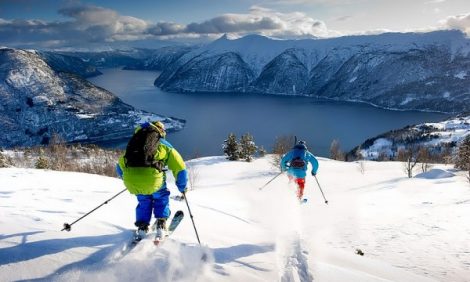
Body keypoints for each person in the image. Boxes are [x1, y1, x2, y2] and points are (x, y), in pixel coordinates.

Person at [116, 121, 188, 241]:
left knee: (144, 200)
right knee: (161, 197)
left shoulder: (134, 143)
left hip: (132, 181)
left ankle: (142, 227)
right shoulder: (163, 144)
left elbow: (119, 167)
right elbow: (180, 167)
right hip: (154, 181)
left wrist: (130, 179)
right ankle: (161, 223)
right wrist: (182, 187)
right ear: (161, 131)